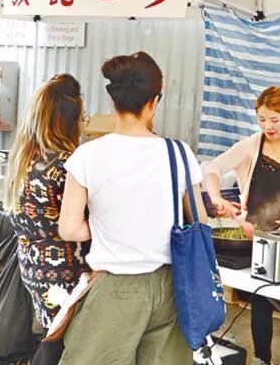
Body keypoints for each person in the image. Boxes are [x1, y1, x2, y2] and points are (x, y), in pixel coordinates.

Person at [58, 51, 207, 365]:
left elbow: (69, 229)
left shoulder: (87, 155)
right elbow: (199, 222)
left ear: (113, 100)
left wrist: (104, 225)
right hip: (172, 287)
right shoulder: (179, 153)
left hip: (115, 288)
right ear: (154, 101)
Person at [203, 86, 280, 365]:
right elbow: (212, 168)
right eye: (261, 119)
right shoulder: (251, 145)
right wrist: (216, 197)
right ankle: (262, 359)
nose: (267, 126)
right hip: (259, 239)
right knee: (260, 300)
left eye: (274, 120)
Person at [4, 73, 90, 365]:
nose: (83, 125)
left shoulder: (24, 157)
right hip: (65, 271)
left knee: (53, 337)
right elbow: (79, 223)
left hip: (33, 266)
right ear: (67, 121)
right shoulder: (68, 164)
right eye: (82, 118)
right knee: (64, 345)